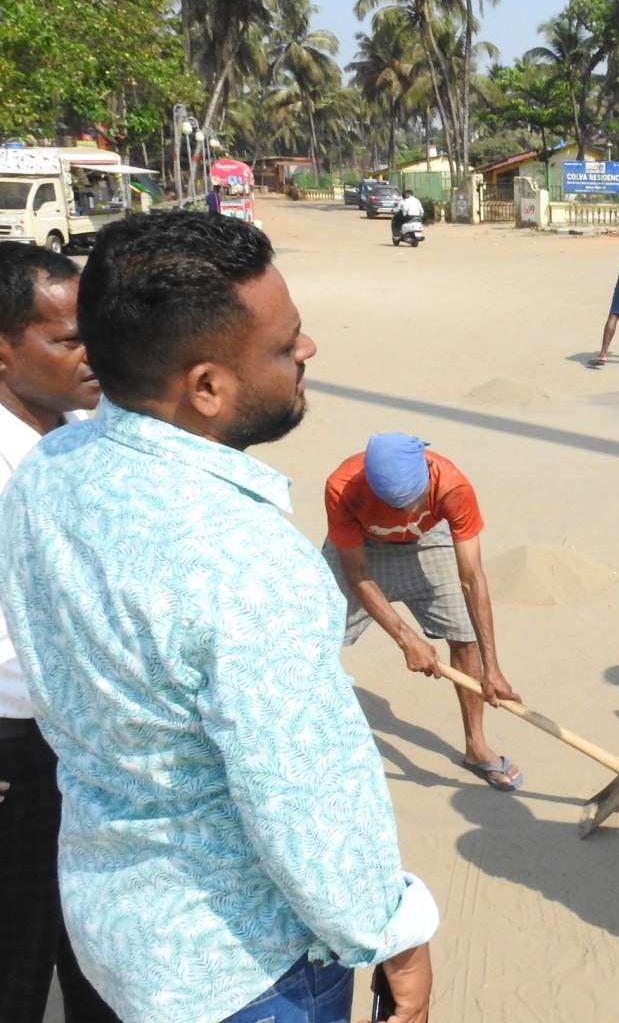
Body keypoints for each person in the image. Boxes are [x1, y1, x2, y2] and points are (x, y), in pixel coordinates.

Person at [0, 212, 437, 1023]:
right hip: (244, 970)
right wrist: (395, 936)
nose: (307, 352)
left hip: (117, 928)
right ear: (207, 387)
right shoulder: (246, 561)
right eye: (284, 344)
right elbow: (304, 800)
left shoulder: (52, 469)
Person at [0, 245, 114, 1023]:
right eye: (68, 339)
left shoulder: (82, 430)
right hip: (15, 748)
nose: (91, 354)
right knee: (16, 959)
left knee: (98, 956)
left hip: (88, 742)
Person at [323, 433, 523, 790]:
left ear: (428, 471)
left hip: (428, 541)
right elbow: (357, 573)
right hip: (363, 549)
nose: (406, 514)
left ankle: (476, 746)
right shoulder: (342, 487)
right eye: (394, 506)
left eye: (412, 502)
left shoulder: (451, 486)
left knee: (463, 635)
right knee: (314, 637)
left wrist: (492, 669)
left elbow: (472, 578)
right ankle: (314, 741)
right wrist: (406, 638)